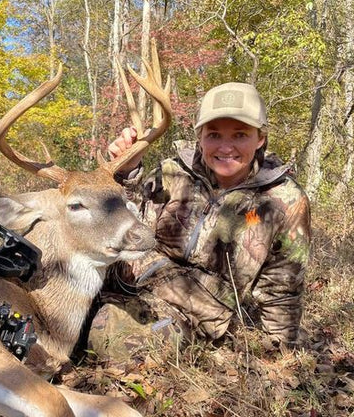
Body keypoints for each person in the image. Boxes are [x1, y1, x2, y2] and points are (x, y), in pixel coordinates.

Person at [88, 82, 311, 358]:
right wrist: (125, 175)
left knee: (112, 342)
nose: (226, 147)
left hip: (189, 311)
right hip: (126, 277)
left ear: (261, 138)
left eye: (240, 135)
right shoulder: (173, 172)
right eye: (214, 134)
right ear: (200, 136)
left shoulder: (282, 200)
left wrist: (281, 353)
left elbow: (283, 285)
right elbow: (126, 224)